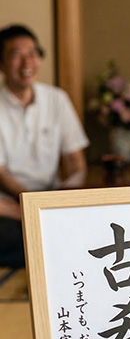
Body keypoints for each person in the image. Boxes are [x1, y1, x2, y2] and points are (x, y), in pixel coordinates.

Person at [0, 24, 89, 268]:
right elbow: (1, 172)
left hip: (52, 196)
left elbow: (75, 160)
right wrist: (30, 206)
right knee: (11, 234)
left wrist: (70, 200)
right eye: (17, 54)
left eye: (33, 53)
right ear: (2, 64)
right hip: (10, 204)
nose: (27, 62)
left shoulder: (57, 99)